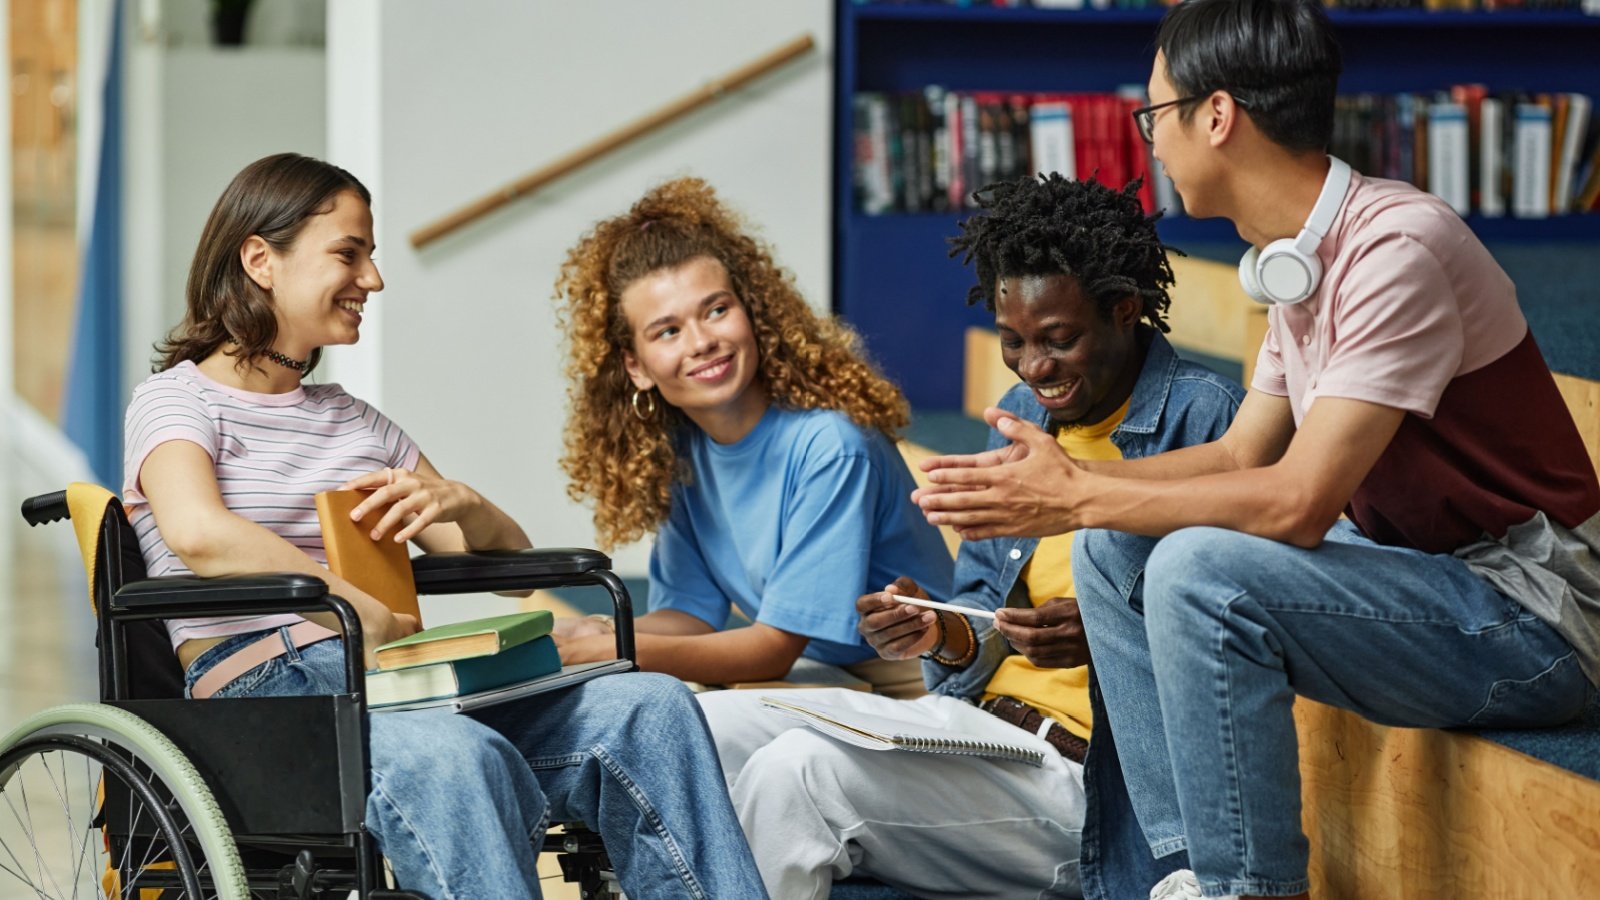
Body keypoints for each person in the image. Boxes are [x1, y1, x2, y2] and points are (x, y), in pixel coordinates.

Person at [915, 2, 1600, 898]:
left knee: (1199, 569)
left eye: (1154, 115)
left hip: (1537, 613)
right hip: (1422, 571)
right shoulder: (1297, 258)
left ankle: (1245, 890)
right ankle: (1174, 875)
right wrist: (1076, 482)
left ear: (1217, 115)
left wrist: (1078, 496)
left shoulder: (1396, 249)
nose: (1151, 141)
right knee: (1117, 549)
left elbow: (1297, 501)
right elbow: (1243, 455)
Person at [123, 152, 766, 899]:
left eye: (371, 255)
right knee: (457, 758)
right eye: (348, 254)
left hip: (399, 680)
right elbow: (198, 532)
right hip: (270, 697)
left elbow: (499, 554)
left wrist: (464, 504)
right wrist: (343, 601)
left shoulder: (356, 424)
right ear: (260, 259)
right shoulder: (177, 402)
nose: (373, 279)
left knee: (652, 708)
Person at [696, 173, 1244, 899]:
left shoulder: (1210, 424)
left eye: (1059, 339)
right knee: (698, 722)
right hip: (973, 727)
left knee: (796, 774)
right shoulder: (1022, 414)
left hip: (1087, 789)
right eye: (1014, 341)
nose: (1034, 368)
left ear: (1125, 310)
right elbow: (983, 606)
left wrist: (1110, 633)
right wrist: (940, 631)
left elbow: (1244, 630)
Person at [551, 177, 952, 696]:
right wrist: (595, 631)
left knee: (683, 718)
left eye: (717, 309)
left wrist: (617, 648)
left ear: (752, 313)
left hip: (918, 681)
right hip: (823, 674)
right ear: (636, 366)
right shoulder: (682, 453)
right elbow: (689, 615)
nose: (702, 342)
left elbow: (770, 652)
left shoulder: (831, 445)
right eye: (667, 331)